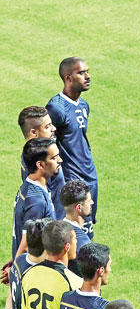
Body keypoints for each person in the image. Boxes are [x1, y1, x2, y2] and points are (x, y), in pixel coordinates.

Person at [46, 57, 97, 238]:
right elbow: (48, 145)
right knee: (69, 234)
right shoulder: (56, 108)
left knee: (88, 229)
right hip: (71, 178)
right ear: (68, 78)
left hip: (89, 174)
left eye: (87, 71)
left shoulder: (84, 105)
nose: (88, 76)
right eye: (81, 73)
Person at [13, 137, 59, 258]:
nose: (60, 161)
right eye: (54, 158)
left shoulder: (28, 186)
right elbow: (28, 244)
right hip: (36, 271)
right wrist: (16, 268)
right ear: (40, 165)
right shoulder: (36, 201)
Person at [18, 106, 66, 218]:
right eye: (47, 126)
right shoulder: (42, 163)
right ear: (34, 132)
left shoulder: (31, 155)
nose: (53, 128)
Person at [60, 180, 93, 265]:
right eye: (89, 201)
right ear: (79, 208)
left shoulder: (55, 230)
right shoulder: (83, 245)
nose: (92, 202)